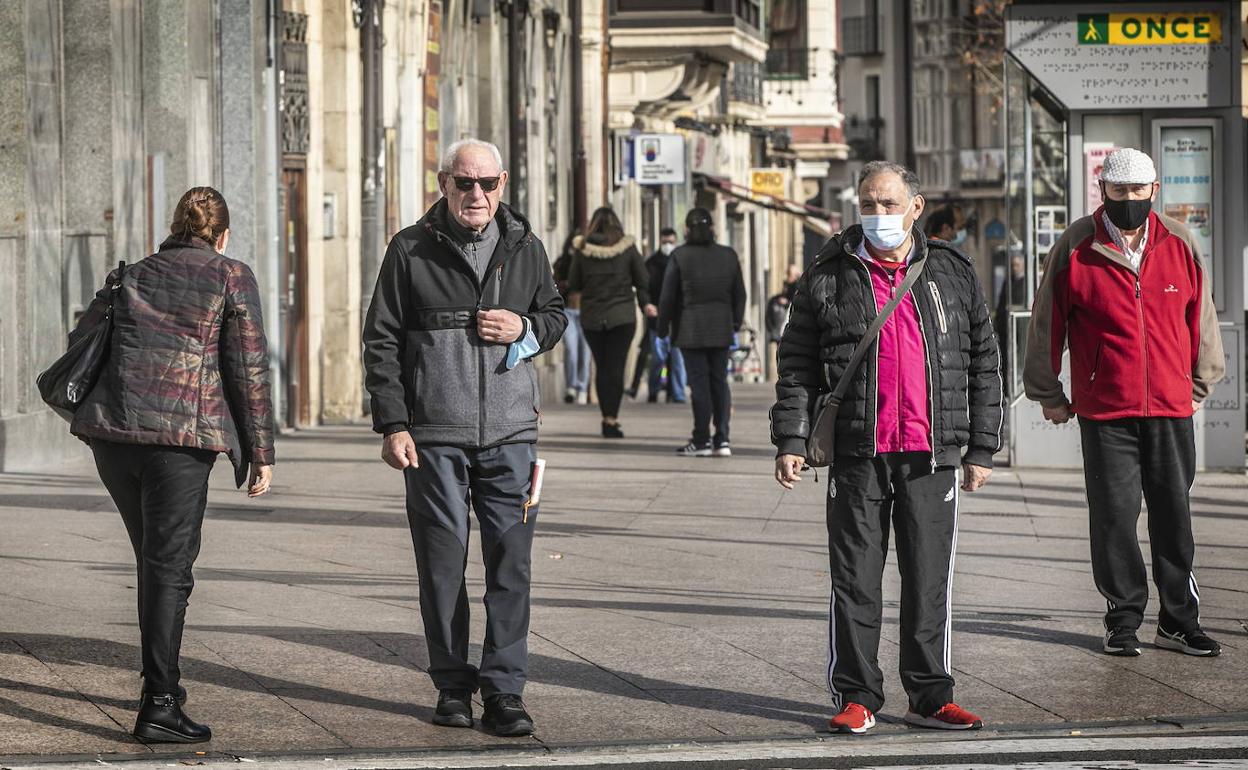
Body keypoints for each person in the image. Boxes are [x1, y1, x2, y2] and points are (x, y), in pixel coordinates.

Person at [771, 161, 1001, 734]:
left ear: (915, 207)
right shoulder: (828, 273)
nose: (878, 215)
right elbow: (796, 364)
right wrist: (791, 438)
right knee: (854, 578)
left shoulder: (951, 272)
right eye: (868, 204)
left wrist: (981, 449)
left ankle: (930, 695)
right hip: (858, 452)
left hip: (931, 454)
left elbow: (982, 360)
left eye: (889, 204)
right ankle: (857, 695)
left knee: (928, 579)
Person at [362, 138, 566, 736]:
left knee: (511, 564)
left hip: (510, 433)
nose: (475, 195)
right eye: (463, 183)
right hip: (433, 435)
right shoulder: (410, 248)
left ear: (503, 183)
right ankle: (452, 686)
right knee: (442, 565)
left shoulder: (526, 246)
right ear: (443, 183)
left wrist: (523, 327)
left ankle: (504, 692)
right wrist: (393, 423)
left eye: (487, 184)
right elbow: (382, 340)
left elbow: (555, 316)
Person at [68, 187, 275, 743]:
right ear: (222, 234)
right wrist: (260, 452)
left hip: (114, 437)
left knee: (154, 560)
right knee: (169, 568)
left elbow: (83, 337)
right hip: (180, 440)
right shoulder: (231, 275)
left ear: (176, 228)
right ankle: (159, 704)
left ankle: (162, 682)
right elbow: (248, 368)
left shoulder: (132, 273)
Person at [1023, 147, 1225, 658]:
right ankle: (1123, 617)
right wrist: (1048, 392)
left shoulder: (1180, 241)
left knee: (1172, 515)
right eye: (1119, 191)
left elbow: (1201, 319)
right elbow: (1048, 321)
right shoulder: (1076, 244)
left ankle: (1179, 620)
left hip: (1170, 408)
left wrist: (1198, 384)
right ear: (1104, 191)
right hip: (1105, 411)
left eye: (1139, 191)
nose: (1129, 199)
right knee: (1113, 517)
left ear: (1154, 191)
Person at [657, 207, 745, 457]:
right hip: (721, 329)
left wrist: (662, 328)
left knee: (699, 385)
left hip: (690, 329)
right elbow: (740, 294)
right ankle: (723, 438)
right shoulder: (728, 255)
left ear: (687, 229)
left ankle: (701, 439)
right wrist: (735, 323)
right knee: (719, 382)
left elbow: (667, 297)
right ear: (713, 228)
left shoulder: (679, 255)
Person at [566, 206, 654, 438]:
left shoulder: (583, 250)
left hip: (593, 317)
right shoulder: (627, 248)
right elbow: (643, 279)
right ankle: (611, 419)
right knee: (616, 368)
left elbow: (574, 283)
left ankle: (606, 417)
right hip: (622, 317)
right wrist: (645, 304)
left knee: (602, 367)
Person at [642, 227, 687, 403]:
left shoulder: (681, 262)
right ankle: (653, 391)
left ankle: (677, 393)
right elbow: (644, 287)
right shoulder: (651, 263)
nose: (668, 245)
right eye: (665, 242)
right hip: (657, 318)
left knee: (678, 359)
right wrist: (647, 304)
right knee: (657, 358)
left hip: (677, 319)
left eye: (671, 242)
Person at [552, 231, 590, 404]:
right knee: (572, 350)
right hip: (567, 311)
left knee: (585, 352)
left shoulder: (590, 262)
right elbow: (552, 286)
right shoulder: (562, 263)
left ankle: (582, 388)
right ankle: (571, 387)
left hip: (587, 311)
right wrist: (565, 285)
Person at [993, 252, 1027, 392]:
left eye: (1017, 265)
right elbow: (1001, 303)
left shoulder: (1026, 283)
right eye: (1013, 265)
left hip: (1021, 327)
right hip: (1007, 327)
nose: (1015, 268)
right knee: (1007, 357)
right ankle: (1007, 387)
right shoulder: (1008, 282)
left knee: (1020, 355)